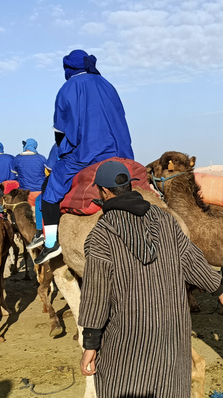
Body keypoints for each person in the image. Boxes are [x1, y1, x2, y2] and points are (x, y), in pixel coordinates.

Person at [78, 161, 223, 398]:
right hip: (172, 324)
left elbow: (95, 292)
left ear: (104, 192)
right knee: (160, 395)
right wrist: (220, 290)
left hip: (128, 328)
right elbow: (192, 259)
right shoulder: (164, 220)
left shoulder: (101, 235)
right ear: (129, 188)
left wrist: (91, 343)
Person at [33, 49, 134, 264]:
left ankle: (51, 242)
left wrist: (64, 150)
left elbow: (61, 131)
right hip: (122, 154)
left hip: (86, 154)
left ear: (69, 67)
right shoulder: (108, 85)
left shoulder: (69, 87)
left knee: (49, 189)